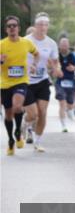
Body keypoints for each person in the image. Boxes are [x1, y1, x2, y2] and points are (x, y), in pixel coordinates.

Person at [23, 12, 60, 151]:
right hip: (27, 81)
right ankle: (25, 123)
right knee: (33, 114)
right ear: (35, 26)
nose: (43, 27)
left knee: (42, 112)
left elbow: (55, 61)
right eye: (40, 24)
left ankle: (37, 142)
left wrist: (56, 69)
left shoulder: (51, 43)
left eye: (45, 24)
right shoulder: (26, 41)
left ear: (48, 26)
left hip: (43, 80)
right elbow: (17, 59)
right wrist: (28, 67)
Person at [2, 16, 38, 155]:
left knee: (18, 106)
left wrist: (34, 64)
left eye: (14, 25)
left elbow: (36, 54)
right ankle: (11, 139)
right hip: (5, 83)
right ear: (6, 29)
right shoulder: (1, 45)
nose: (12, 28)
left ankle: (18, 131)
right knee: (8, 114)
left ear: (18, 28)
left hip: (21, 81)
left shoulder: (26, 43)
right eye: (9, 26)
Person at [55, 37, 75, 133]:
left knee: (70, 105)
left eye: (66, 44)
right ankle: (63, 125)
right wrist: (55, 70)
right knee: (62, 103)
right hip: (60, 82)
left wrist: (74, 68)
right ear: (59, 46)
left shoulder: (74, 55)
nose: (64, 46)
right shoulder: (56, 55)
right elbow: (50, 65)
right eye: (62, 44)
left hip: (71, 82)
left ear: (69, 46)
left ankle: (70, 111)